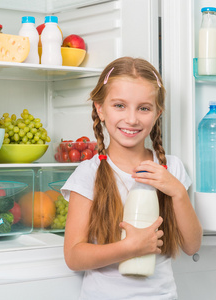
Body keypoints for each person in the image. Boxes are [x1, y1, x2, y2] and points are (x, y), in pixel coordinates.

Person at [62, 56, 203, 299]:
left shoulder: (172, 168)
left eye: (144, 108)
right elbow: (74, 257)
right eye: (119, 105)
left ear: (157, 113)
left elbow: (192, 246)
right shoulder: (88, 174)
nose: (131, 119)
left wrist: (177, 191)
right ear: (100, 109)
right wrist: (129, 247)